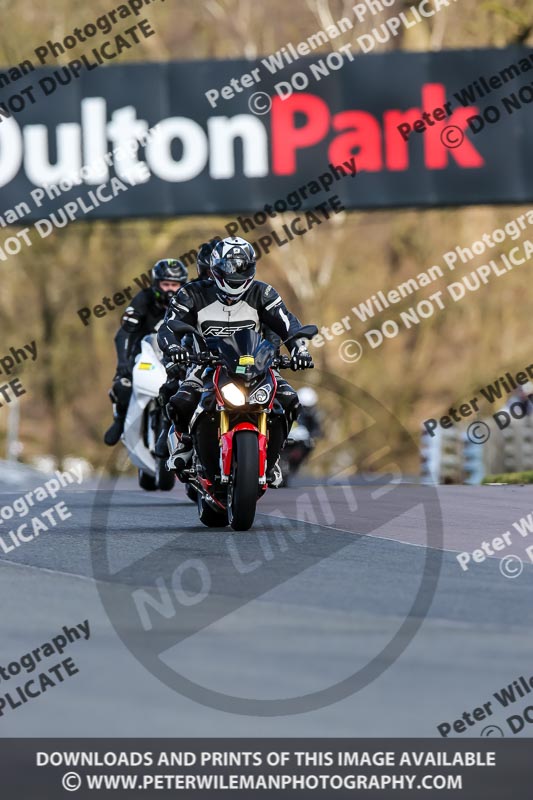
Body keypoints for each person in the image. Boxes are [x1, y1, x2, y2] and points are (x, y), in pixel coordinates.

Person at [157, 236, 314, 486]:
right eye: (230, 267)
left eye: (242, 267)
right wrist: (174, 347)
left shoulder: (264, 293)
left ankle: (272, 458)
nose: (236, 274)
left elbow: (288, 324)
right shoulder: (192, 293)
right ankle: (184, 444)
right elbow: (168, 327)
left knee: (290, 401)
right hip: (206, 365)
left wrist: (299, 350)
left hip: (256, 366)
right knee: (181, 400)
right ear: (215, 267)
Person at [104, 258, 188, 446]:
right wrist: (124, 363)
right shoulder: (143, 299)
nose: (170, 290)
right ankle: (120, 418)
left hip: (178, 356)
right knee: (123, 385)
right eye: (165, 284)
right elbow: (123, 333)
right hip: (144, 353)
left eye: (175, 285)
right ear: (156, 284)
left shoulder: (189, 301)